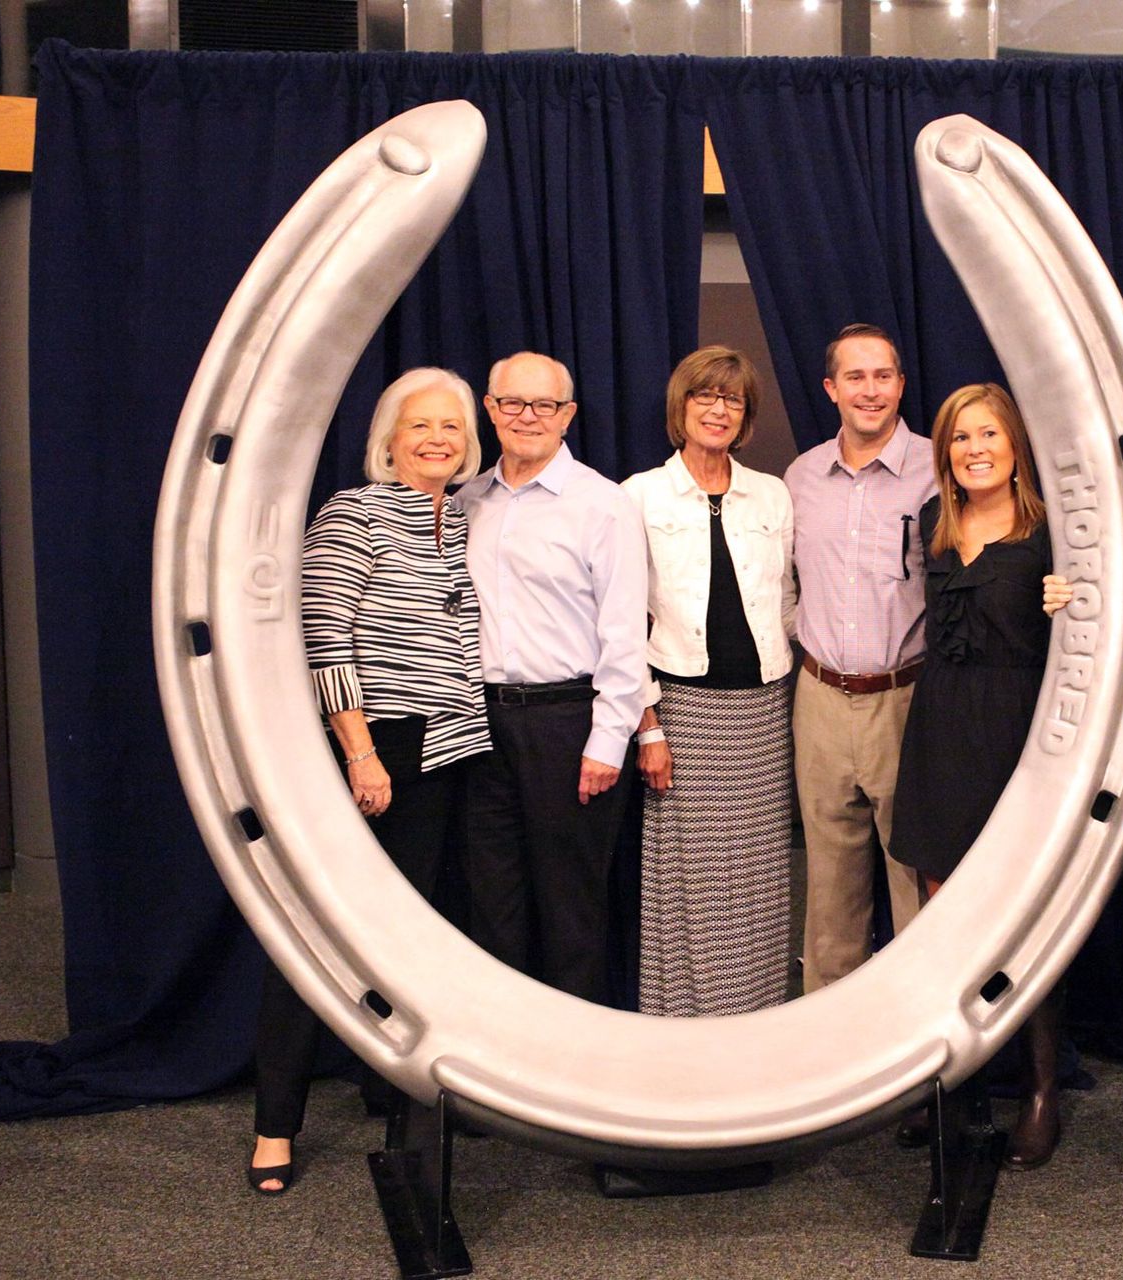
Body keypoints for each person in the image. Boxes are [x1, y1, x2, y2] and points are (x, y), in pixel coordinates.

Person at [249, 367, 492, 1194]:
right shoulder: (350, 514)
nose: (436, 440)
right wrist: (359, 751)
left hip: (449, 750)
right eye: (419, 426)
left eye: (451, 427)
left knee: (406, 935)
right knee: (319, 931)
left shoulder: (461, 519)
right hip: (377, 746)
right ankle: (275, 1126)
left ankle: (388, 1087)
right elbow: (324, 639)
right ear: (387, 439)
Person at [890, 383, 1074, 1168]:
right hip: (942, 723)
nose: (974, 448)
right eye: (960, 437)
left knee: (1025, 916)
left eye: (987, 434)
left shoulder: (1050, 531)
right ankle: (957, 1080)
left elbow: (1083, 637)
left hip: (1016, 730)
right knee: (944, 910)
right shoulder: (936, 522)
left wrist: (1073, 605)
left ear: (1014, 444)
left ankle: (1039, 1090)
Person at [455, 351, 649, 1003]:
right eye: (512, 402)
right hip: (481, 727)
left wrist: (607, 742)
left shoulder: (603, 504)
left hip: (568, 726)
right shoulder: (465, 502)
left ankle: (576, 1084)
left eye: (544, 405)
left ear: (568, 415)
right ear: (489, 409)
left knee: (572, 910)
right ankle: (501, 1079)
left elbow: (625, 635)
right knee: (493, 906)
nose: (526, 416)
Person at [622, 347, 797, 1015]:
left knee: (757, 877)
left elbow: (784, 603)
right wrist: (649, 728)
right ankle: (688, 1023)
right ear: (682, 406)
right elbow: (620, 627)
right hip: (684, 714)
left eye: (733, 400)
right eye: (706, 396)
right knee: (692, 884)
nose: (719, 409)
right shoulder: (638, 495)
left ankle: (753, 1017)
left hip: (761, 714)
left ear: (746, 416)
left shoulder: (771, 494)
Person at [783, 323, 935, 993]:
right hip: (818, 701)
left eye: (882, 376)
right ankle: (828, 1057)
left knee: (917, 890)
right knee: (830, 893)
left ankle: (917, 1057)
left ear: (900, 384)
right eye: (855, 377)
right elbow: (784, 579)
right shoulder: (801, 476)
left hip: (908, 700)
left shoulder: (941, 468)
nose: (869, 390)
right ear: (830, 388)